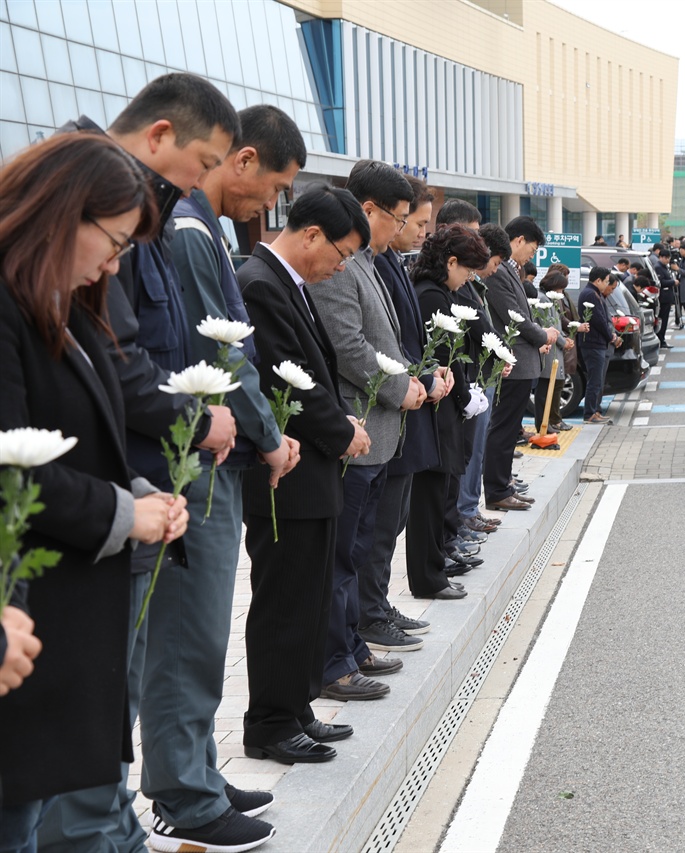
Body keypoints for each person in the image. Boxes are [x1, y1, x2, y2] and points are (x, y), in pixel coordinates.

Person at [44, 71, 240, 853]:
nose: (200, 184)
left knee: (111, 682)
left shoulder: (131, 209)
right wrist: (196, 419)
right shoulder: (86, 197)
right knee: (89, 692)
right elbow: (120, 361)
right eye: (199, 163)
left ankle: (112, 822)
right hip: (99, 488)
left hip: (128, 487)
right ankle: (96, 829)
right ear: (160, 136)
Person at [0, 133, 187, 851]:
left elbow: (78, 434)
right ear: (61, 215)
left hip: (57, 631)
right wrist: (121, 512)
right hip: (25, 619)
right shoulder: (10, 306)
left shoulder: (64, 305)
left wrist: (139, 490)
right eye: (112, 241)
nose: (115, 263)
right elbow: (15, 466)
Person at [142, 104, 306, 853]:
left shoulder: (201, 227)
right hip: (190, 455)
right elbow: (225, 354)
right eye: (273, 185)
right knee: (186, 635)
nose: (269, 204)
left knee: (200, 634)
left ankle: (198, 771)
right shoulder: (185, 227)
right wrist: (272, 439)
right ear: (237, 159)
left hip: (208, 452)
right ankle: (183, 791)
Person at [237, 185, 372, 765]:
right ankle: (269, 723)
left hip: (307, 473)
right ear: (311, 234)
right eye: (340, 253)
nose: (340, 266)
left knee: (308, 597)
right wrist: (343, 432)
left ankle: (294, 708)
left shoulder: (287, 282)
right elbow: (281, 379)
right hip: (283, 476)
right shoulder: (262, 285)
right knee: (284, 601)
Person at [307, 161, 426, 703]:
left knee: (358, 549)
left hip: (379, 433)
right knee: (342, 556)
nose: (401, 231)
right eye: (397, 219)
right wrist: (399, 388)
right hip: (357, 431)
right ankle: (334, 660)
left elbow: (388, 339)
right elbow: (351, 349)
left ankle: (351, 646)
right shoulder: (341, 266)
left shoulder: (369, 263)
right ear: (369, 209)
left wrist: (412, 378)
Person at [368, 176, 452, 638]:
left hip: (408, 397)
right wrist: (416, 379)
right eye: (412, 221)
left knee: (392, 519)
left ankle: (377, 603)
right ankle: (370, 612)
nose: (420, 231)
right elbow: (379, 343)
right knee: (380, 525)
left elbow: (407, 338)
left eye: (421, 222)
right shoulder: (371, 265)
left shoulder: (394, 262)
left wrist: (428, 374)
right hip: (390, 403)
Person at [408, 225, 492, 595]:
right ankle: (428, 577)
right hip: (435, 405)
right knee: (429, 497)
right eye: (466, 271)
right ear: (450, 261)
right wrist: (461, 396)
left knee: (442, 488)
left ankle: (436, 568)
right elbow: (443, 356)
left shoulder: (440, 292)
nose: (467, 279)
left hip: (446, 403)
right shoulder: (431, 295)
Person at [482, 216, 556, 511]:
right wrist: (543, 334)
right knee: (503, 428)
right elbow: (515, 316)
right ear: (519, 240)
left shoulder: (511, 270)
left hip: (522, 361)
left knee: (510, 428)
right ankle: (497, 489)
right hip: (513, 360)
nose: (532, 255)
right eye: (533, 249)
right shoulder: (499, 272)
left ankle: (504, 484)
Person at [579, 266, 622, 425]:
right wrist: (611, 336)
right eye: (605, 281)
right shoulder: (590, 294)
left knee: (598, 380)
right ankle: (590, 413)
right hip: (593, 343)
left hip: (597, 343)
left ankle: (595, 411)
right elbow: (598, 321)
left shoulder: (595, 294)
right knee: (594, 380)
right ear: (598, 280)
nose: (606, 284)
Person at [535, 271, 575, 432]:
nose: (561, 292)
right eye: (560, 289)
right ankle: (543, 423)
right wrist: (563, 341)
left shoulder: (550, 299)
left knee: (552, 389)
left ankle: (548, 422)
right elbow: (548, 326)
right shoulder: (543, 299)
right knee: (544, 391)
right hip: (550, 349)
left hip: (555, 348)